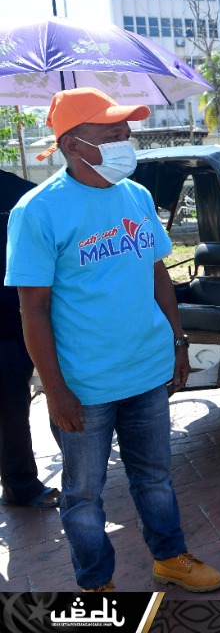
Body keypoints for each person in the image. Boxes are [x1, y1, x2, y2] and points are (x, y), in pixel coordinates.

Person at [6, 88, 220, 593]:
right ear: (72, 144)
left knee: (155, 477)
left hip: (147, 368)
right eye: (112, 133)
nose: (125, 141)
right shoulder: (37, 211)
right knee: (84, 495)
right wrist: (55, 389)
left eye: (126, 132)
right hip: (84, 384)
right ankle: (96, 583)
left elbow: (158, 275)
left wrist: (178, 341)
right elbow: (33, 309)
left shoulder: (138, 196)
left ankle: (170, 556)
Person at [0, 170, 59, 510]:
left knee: (22, 401)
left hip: (22, 315)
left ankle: (20, 483)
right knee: (10, 406)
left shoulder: (22, 195)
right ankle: (19, 484)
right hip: (9, 323)